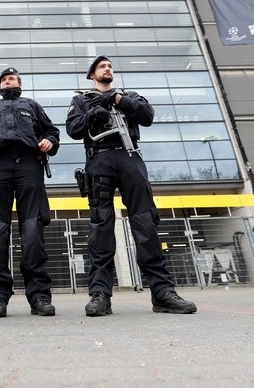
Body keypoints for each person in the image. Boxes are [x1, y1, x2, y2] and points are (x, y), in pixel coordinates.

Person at [66, 55, 197, 316]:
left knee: (145, 223)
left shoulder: (129, 95)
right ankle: (100, 294)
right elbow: (72, 128)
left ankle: (162, 292)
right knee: (101, 226)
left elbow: (147, 116)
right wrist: (93, 113)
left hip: (130, 157)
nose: (108, 69)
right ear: (92, 74)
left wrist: (117, 100)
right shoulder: (81, 99)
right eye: (102, 66)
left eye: (110, 66)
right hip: (99, 158)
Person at [0, 67, 60, 318]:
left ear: (19, 84)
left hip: (29, 166)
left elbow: (52, 132)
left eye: (12, 79)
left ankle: (39, 295)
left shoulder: (31, 105)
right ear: (0, 86)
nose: (8, 82)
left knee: (32, 231)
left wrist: (50, 142)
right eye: (4, 80)